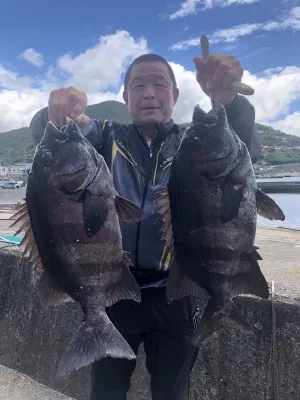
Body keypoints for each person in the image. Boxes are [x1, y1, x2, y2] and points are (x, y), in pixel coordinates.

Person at [29, 51, 261, 400]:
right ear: (125, 98)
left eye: (159, 84)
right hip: (114, 290)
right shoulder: (106, 138)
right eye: (138, 85)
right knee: (107, 390)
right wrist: (57, 116)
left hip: (177, 290)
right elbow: (55, 150)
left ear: (176, 95)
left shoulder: (193, 144)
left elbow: (243, 152)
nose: (149, 93)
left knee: (172, 391)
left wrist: (230, 100)